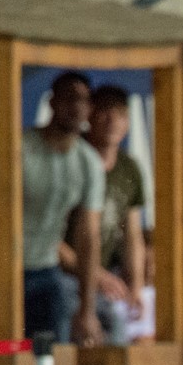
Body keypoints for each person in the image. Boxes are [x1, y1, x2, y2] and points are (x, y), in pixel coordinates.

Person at [0, 70, 104, 345]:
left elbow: (89, 235)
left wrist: (87, 307)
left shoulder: (88, 162)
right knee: (0, 357)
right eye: (69, 98)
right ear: (52, 102)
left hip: (46, 269)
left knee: (55, 357)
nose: (76, 107)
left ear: (89, 109)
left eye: (83, 100)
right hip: (4, 269)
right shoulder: (18, 149)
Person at [57, 84, 147, 346]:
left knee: (121, 336)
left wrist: (137, 287)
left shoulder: (129, 167)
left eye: (120, 114)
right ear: (89, 116)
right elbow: (48, 235)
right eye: (104, 112)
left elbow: (133, 233)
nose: (112, 121)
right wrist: (95, 274)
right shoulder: (72, 159)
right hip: (64, 274)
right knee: (109, 326)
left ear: (128, 123)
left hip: (101, 279)